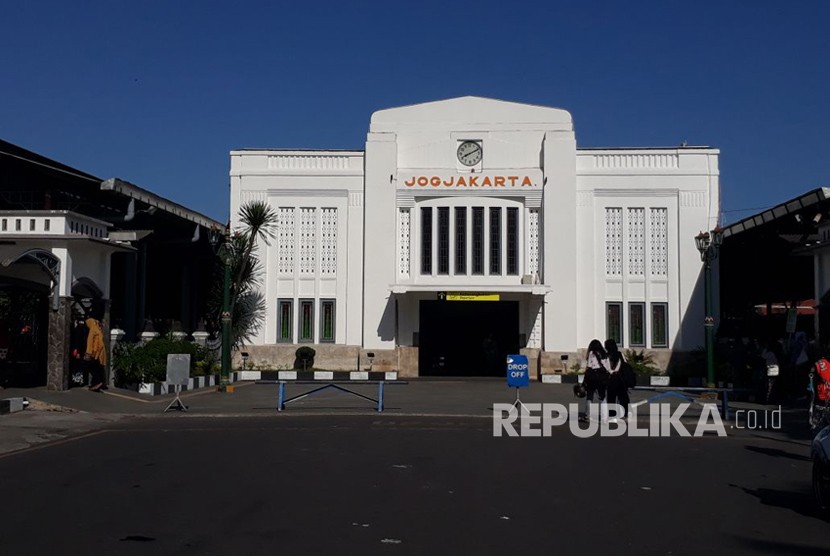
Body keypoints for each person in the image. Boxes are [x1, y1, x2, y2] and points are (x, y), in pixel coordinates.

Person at [580, 339, 609, 423]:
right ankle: (604, 418)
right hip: (601, 377)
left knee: (590, 396)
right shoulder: (604, 354)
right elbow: (607, 367)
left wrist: (585, 378)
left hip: (592, 377)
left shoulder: (591, 353)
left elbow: (589, 366)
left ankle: (588, 416)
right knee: (602, 398)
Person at [605, 339, 630, 421]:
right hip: (620, 378)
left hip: (611, 378)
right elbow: (625, 364)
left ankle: (612, 415)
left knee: (611, 397)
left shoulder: (606, 355)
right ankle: (625, 414)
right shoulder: (620, 354)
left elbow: (605, 367)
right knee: (623, 397)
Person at [85, 302, 107, 392]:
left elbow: (92, 338)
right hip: (96, 350)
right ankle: (96, 383)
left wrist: (90, 351)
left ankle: (96, 383)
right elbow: (92, 338)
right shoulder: (95, 325)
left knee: (94, 366)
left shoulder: (95, 324)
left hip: (96, 350)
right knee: (96, 366)